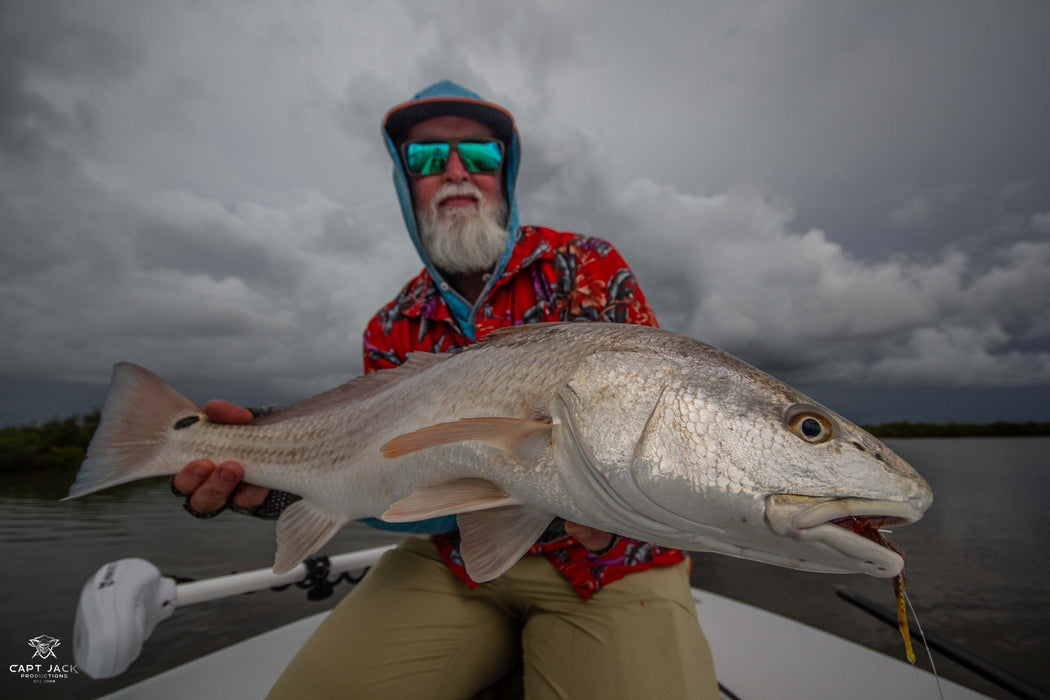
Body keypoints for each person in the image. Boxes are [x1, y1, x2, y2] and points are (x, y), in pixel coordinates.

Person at [171, 80, 719, 699]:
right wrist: (281, 483)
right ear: (407, 184)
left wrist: (619, 512)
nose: (456, 173)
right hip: (455, 560)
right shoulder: (391, 324)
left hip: (613, 567)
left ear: (504, 174)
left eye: (480, 156)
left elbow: (660, 427)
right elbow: (391, 485)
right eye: (428, 158)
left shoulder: (590, 266)